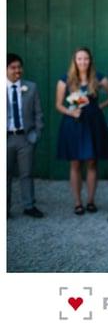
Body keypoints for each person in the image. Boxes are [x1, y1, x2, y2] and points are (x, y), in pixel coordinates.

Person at [56, 47, 108, 215]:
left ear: (90, 60)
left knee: (92, 161)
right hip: (73, 123)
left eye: (86, 58)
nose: (83, 62)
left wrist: (98, 108)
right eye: (80, 58)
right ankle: (77, 202)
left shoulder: (98, 78)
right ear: (74, 60)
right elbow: (58, 104)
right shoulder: (65, 80)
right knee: (75, 162)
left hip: (93, 124)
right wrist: (70, 111)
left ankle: (90, 200)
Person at [7, 53, 44, 218]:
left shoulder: (31, 87)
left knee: (26, 173)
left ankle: (29, 206)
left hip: (25, 138)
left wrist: (36, 134)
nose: (17, 71)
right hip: (6, 138)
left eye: (19, 67)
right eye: (13, 67)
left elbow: (38, 113)